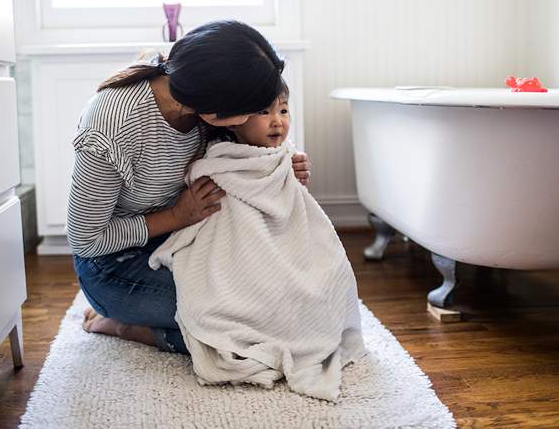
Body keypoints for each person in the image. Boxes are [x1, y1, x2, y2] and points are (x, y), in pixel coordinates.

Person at [68, 20, 311, 354]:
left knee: (287, 303)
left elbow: (251, 141)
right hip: (113, 265)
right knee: (252, 325)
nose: (247, 120)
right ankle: (130, 326)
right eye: (248, 110)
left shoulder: (199, 97)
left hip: (187, 244)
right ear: (214, 108)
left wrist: (285, 163)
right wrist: (177, 216)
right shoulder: (112, 124)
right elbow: (86, 239)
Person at [148, 83, 364, 400]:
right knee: (228, 315)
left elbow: (294, 212)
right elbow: (216, 210)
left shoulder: (288, 157)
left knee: (324, 284)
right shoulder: (220, 160)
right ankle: (140, 332)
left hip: (285, 250)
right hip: (241, 255)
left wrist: (297, 178)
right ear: (236, 119)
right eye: (264, 112)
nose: (277, 121)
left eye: (284, 110)